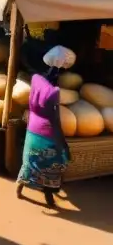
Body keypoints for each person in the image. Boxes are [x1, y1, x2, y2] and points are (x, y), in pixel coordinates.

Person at [17, 46, 74, 207]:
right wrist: (63, 144)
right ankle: (49, 198)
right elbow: (55, 122)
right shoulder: (54, 93)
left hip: (32, 128)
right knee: (53, 164)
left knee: (30, 160)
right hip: (46, 133)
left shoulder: (36, 79)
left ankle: (20, 188)